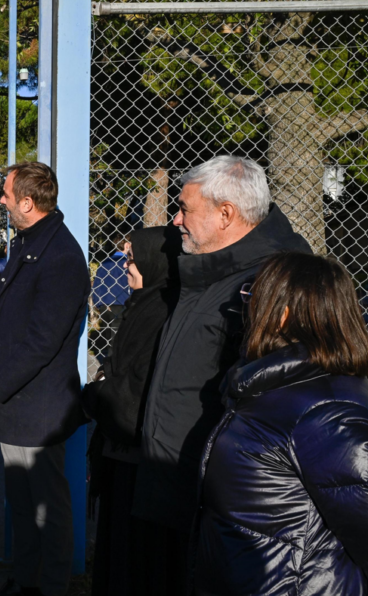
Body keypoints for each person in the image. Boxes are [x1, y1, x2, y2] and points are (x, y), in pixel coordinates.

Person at [133, 156, 310, 591]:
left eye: (185, 208)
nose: (176, 220)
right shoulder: (209, 272)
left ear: (226, 214)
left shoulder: (270, 285)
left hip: (221, 503)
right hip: (176, 486)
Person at [193, 252, 368, 595]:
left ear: (283, 315)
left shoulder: (323, 411)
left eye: (253, 296)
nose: (246, 308)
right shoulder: (269, 390)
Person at [0, 161, 89, 596]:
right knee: (23, 504)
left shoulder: (62, 257)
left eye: (7, 195)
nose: (2, 201)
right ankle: (27, 581)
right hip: (19, 404)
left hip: (39, 409)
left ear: (27, 203)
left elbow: (42, 342)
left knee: (47, 507)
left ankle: (51, 586)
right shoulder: (30, 242)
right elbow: (14, 298)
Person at [80, 226, 181, 596]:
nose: (125, 266)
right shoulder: (141, 306)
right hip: (122, 457)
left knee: (135, 564)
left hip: (139, 465)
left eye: (132, 259)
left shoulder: (160, 312)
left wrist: (96, 394)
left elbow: (127, 392)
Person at [90, 235, 130, 360]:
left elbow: (97, 285)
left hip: (105, 304)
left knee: (110, 335)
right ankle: (114, 365)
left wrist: (98, 302)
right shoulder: (127, 263)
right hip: (121, 303)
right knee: (118, 337)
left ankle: (110, 361)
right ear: (126, 246)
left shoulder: (105, 262)